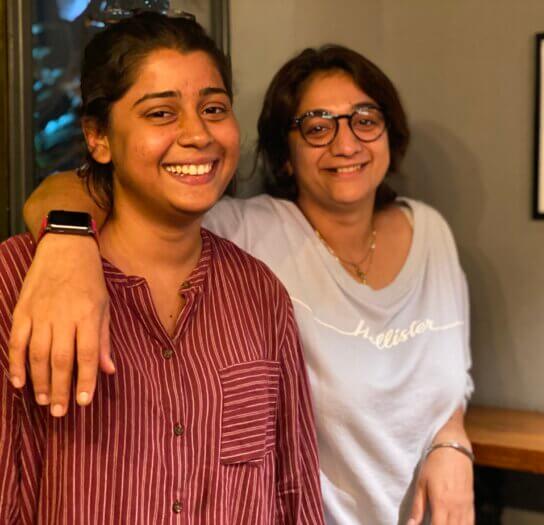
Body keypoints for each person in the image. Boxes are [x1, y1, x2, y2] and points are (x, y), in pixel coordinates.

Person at [12, 43, 474, 524]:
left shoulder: (429, 232)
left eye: (364, 119)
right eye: (317, 126)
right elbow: (96, 190)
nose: (346, 143)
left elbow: (451, 379)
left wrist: (452, 443)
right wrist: (67, 241)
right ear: (285, 154)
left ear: (388, 131)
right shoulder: (247, 232)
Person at [0, 12, 323, 524]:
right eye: (160, 114)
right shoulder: (22, 280)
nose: (197, 134)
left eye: (213, 108)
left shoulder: (260, 293)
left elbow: (294, 491)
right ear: (99, 138)